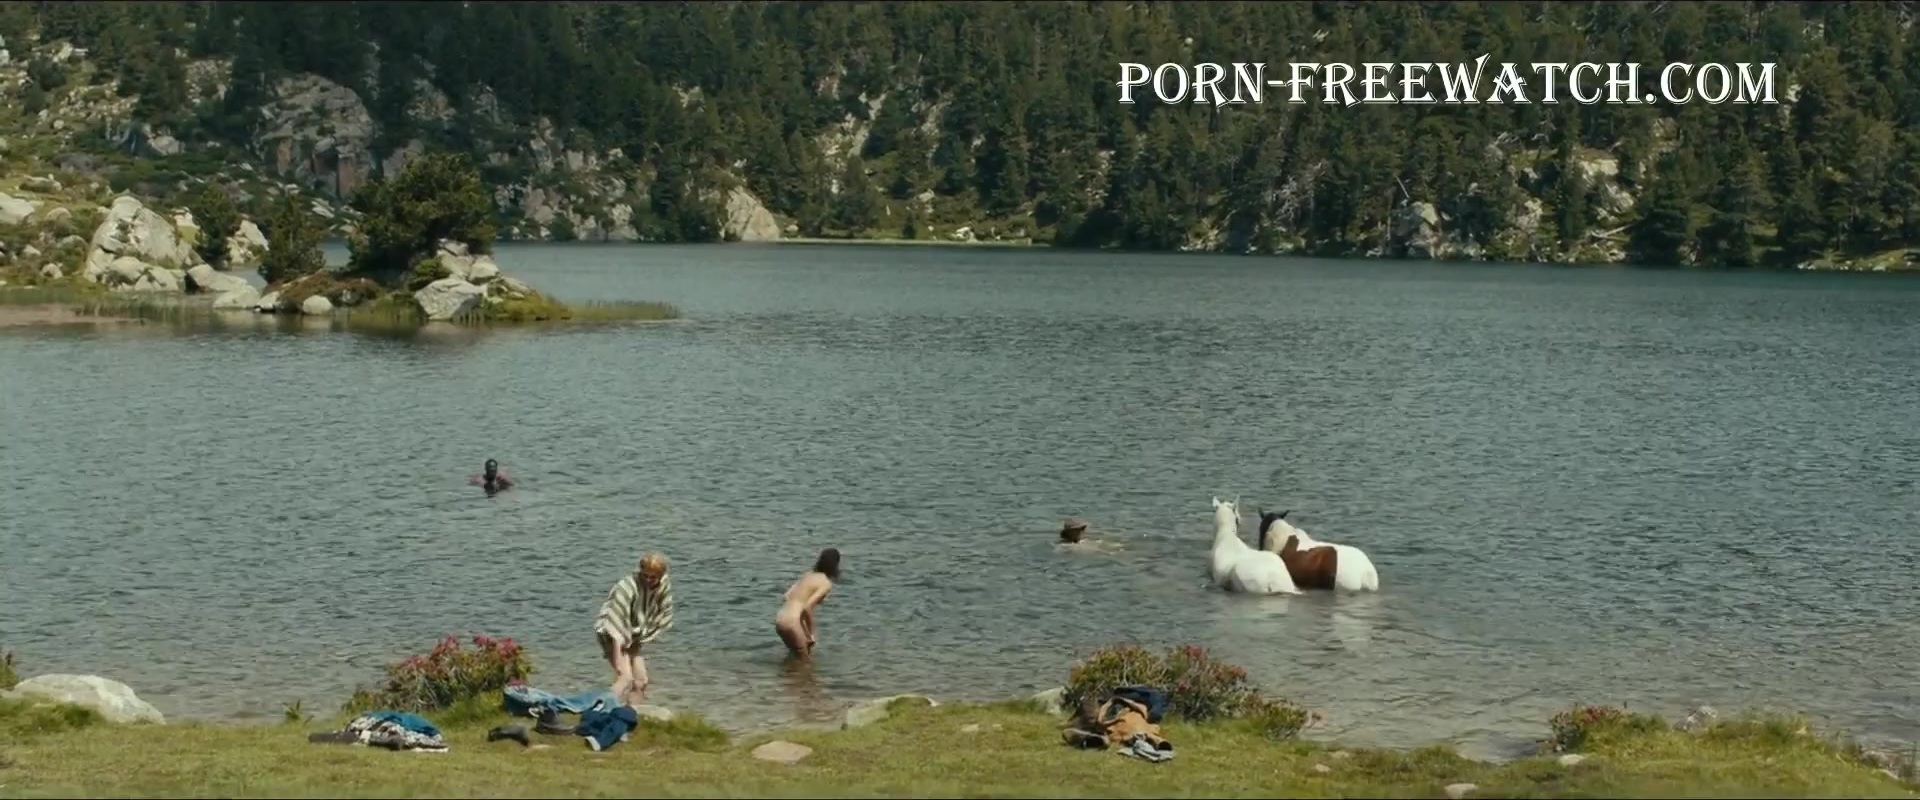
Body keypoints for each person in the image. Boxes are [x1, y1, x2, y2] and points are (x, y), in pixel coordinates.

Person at [593, 553, 674, 707]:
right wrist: (618, 661)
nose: (648, 580)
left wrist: (648, 632)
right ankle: (598, 710)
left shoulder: (663, 584)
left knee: (641, 681)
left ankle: (631, 713)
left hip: (634, 633)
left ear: (660, 576)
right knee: (625, 679)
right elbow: (616, 625)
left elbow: (663, 611)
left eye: (653, 577)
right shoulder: (627, 587)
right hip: (610, 632)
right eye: (645, 575)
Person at [775, 548, 840, 659]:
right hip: (792, 622)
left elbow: (786, 596)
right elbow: (807, 608)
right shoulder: (825, 583)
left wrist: (804, 629)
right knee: (805, 661)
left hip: (780, 619)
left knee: (795, 657)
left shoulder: (808, 575)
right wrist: (811, 634)